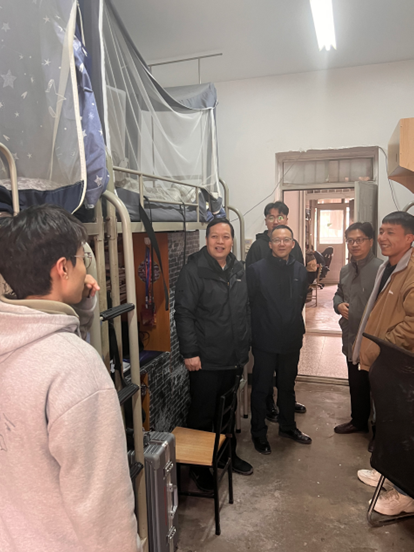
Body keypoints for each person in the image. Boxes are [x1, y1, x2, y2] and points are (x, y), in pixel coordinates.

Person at [0, 205, 141, 552]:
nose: (85, 269)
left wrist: (82, 304)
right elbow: (103, 507)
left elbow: (49, 328)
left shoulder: (11, 341)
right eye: (81, 259)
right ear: (63, 268)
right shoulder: (76, 367)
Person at [174, 218, 253, 492]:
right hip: (205, 359)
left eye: (226, 237)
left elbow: (244, 309)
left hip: (233, 356)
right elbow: (183, 314)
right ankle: (198, 467)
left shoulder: (238, 269)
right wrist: (190, 352)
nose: (220, 242)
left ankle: (224, 454)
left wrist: (245, 343)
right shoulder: (193, 271)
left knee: (227, 411)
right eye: (215, 236)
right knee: (202, 414)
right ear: (206, 239)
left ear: (232, 241)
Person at [352, 211, 414, 516]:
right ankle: (390, 474)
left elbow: (412, 324)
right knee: (388, 423)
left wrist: (384, 347)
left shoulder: (411, 271)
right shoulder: (389, 266)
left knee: (403, 428)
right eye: (382, 231)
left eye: (391, 232)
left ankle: (405, 495)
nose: (383, 238)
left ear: (409, 238)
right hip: (386, 363)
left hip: (399, 364)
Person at [247, 225, 311, 455]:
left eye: (286, 240)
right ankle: (258, 433)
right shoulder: (256, 270)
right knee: (261, 388)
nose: (282, 244)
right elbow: (249, 303)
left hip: (291, 339)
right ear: (270, 244)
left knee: (287, 386)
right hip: (265, 339)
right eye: (277, 240)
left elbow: (300, 301)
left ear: (293, 244)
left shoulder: (300, 270)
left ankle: (287, 426)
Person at [333, 222, 382, 435]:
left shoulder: (382, 269)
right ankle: (358, 421)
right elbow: (338, 292)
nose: (354, 244)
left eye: (359, 240)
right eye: (350, 240)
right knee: (356, 382)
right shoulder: (346, 270)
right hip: (351, 335)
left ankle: (379, 432)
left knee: (377, 386)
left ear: (370, 242)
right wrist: (338, 305)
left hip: (372, 338)